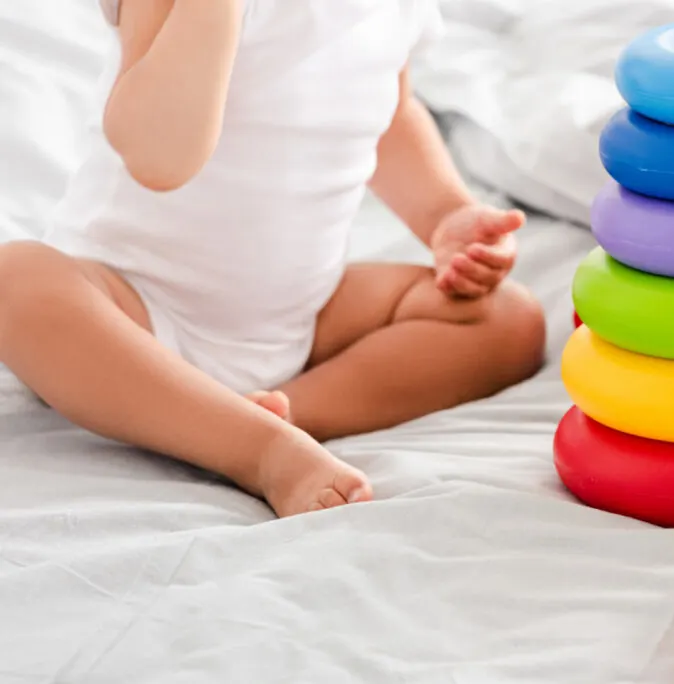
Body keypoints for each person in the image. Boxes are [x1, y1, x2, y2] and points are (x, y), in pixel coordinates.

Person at [0, 0, 546, 517]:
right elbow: (158, 158)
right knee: (15, 279)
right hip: (129, 309)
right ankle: (259, 450)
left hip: (300, 318)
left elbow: (392, 114)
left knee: (506, 318)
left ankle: (278, 412)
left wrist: (446, 215)